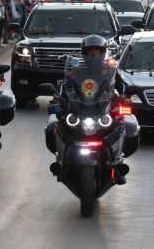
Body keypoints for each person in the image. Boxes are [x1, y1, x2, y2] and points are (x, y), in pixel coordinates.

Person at [45, 35, 139, 184]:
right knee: (52, 125)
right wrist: (58, 98)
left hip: (103, 110)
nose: (93, 55)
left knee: (128, 124)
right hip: (79, 109)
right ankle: (61, 160)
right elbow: (65, 86)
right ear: (84, 53)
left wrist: (125, 96)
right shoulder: (75, 70)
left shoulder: (110, 70)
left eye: (97, 51)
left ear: (103, 53)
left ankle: (118, 163)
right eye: (90, 52)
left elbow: (121, 87)